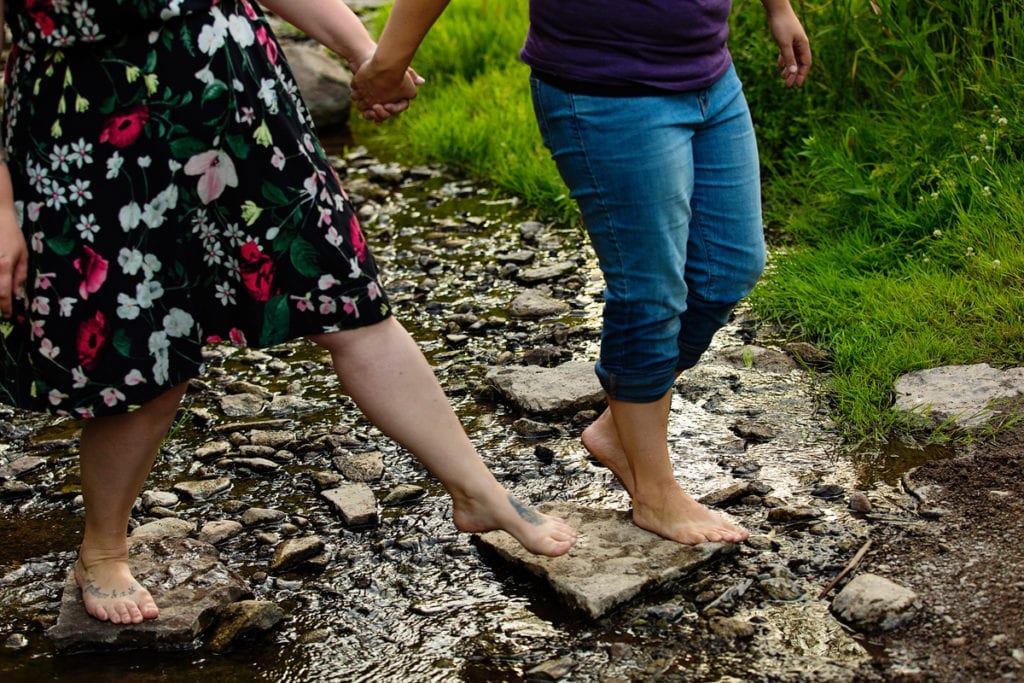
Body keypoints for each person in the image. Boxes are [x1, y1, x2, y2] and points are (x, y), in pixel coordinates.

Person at [0, 0, 575, 626]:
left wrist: (363, 53)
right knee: (142, 351)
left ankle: (478, 491)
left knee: (350, 304)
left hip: (245, 107)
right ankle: (103, 548)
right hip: (89, 127)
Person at [352, 1, 811, 546]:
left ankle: (620, 429)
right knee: (651, 293)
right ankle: (655, 492)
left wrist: (777, 7)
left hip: (709, 70)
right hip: (606, 90)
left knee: (729, 269)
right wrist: (386, 63)